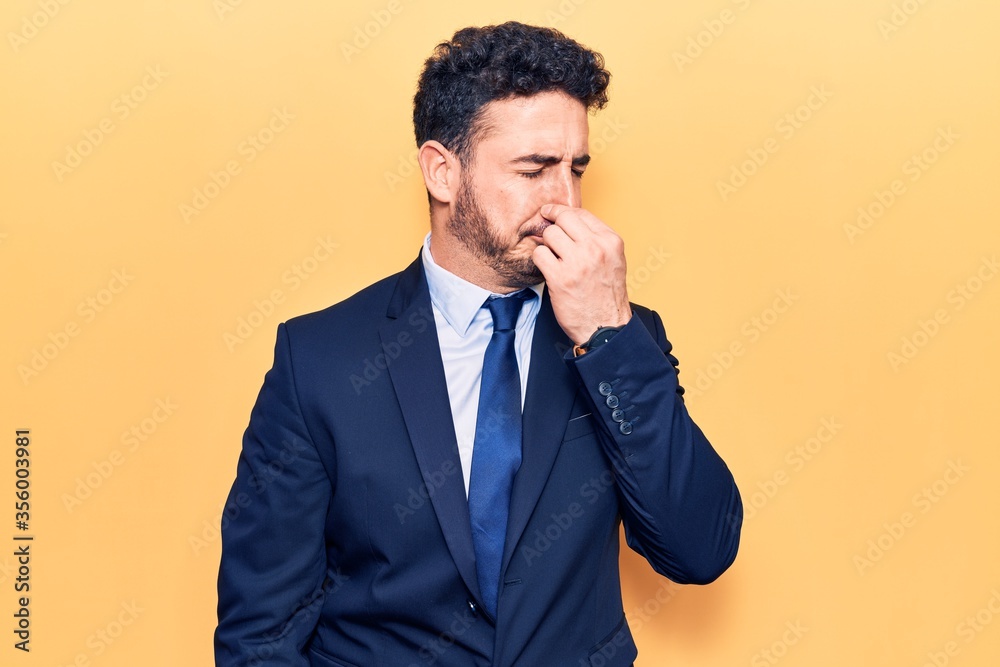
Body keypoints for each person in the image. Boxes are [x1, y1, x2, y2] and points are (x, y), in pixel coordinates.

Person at [215, 21, 742, 667]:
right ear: (443, 171)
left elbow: (700, 548)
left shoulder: (624, 337)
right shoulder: (319, 358)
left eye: (576, 169)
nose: (565, 201)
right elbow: (260, 635)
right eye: (534, 169)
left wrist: (608, 335)